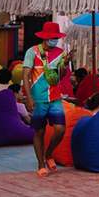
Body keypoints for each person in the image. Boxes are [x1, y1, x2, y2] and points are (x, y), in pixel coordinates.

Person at [22, 22, 70, 177]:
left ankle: (49, 154)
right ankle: (40, 164)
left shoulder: (61, 53)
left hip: (55, 97)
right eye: (52, 37)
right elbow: (25, 75)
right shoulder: (32, 52)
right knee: (39, 131)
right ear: (44, 37)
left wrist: (66, 63)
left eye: (56, 37)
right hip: (38, 99)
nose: (54, 40)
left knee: (60, 129)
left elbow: (60, 77)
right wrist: (29, 98)